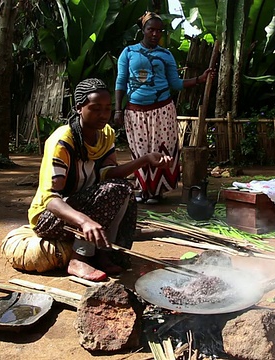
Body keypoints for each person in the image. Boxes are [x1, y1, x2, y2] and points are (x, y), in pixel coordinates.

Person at [28, 78, 173, 281]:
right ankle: (80, 258)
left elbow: (109, 174)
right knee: (111, 191)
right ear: (79, 108)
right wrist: (85, 221)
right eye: (95, 108)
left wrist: (146, 159)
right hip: (50, 219)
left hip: (86, 206)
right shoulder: (62, 141)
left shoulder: (106, 135)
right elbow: (51, 199)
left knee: (123, 189)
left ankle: (104, 253)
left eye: (107, 109)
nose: (103, 115)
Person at [115, 11, 214, 204]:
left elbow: (175, 84)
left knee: (163, 150)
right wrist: (118, 110)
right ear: (143, 30)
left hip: (163, 110)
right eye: (151, 29)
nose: (155, 34)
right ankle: (144, 190)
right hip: (135, 112)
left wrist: (199, 80)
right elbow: (121, 81)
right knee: (141, 151)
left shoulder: (166, 55)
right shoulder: (128, 53)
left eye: (159, 31)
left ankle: (157, 191)